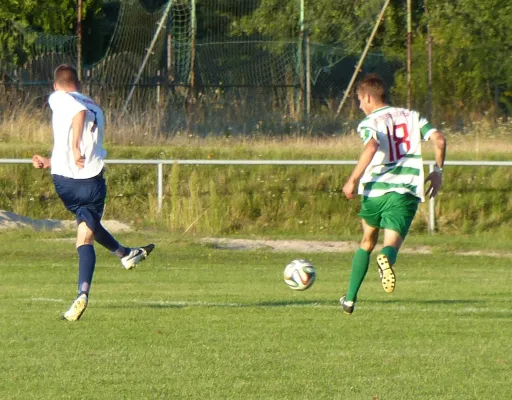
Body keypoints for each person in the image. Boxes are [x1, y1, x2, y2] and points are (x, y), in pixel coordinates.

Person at [32, 64, 155, 321]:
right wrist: (57, 156)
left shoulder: (59, 97)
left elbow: (76, 115)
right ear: (78, 83)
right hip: (92, 183)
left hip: (65, 184)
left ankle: (125, 254)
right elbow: (80, 119)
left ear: (56, 86)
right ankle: (82, 293)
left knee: (87, 227)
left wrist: (73, 149)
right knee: (85, 236)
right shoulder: (96, 107)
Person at [340, 74, 446, 315]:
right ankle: (386, 258)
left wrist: (352, 179)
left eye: (359, 100)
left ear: (368, 97)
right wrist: (437, 171)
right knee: (390, 248)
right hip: (404, 190)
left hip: (374, 191)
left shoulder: (369, 123)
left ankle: (349, 299)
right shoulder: (412, 117)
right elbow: (439, 140)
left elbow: (371, 146)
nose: (359, 106)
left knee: (367, 242)